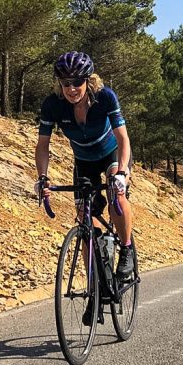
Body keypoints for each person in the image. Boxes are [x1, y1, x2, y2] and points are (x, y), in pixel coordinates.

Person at [34, 52, 136, 290]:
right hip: (84, 160)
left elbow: (123, 139)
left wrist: (123, 173)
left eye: (77, 82)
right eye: (66, 83)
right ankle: (95, 284)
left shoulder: (105, 97)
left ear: (88, 80)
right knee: (83, 216)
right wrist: (42, 177)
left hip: (111, 153)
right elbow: (42, 145)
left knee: (116, 195)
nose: (71, 89)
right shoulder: (52, 105)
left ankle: (127, 248)